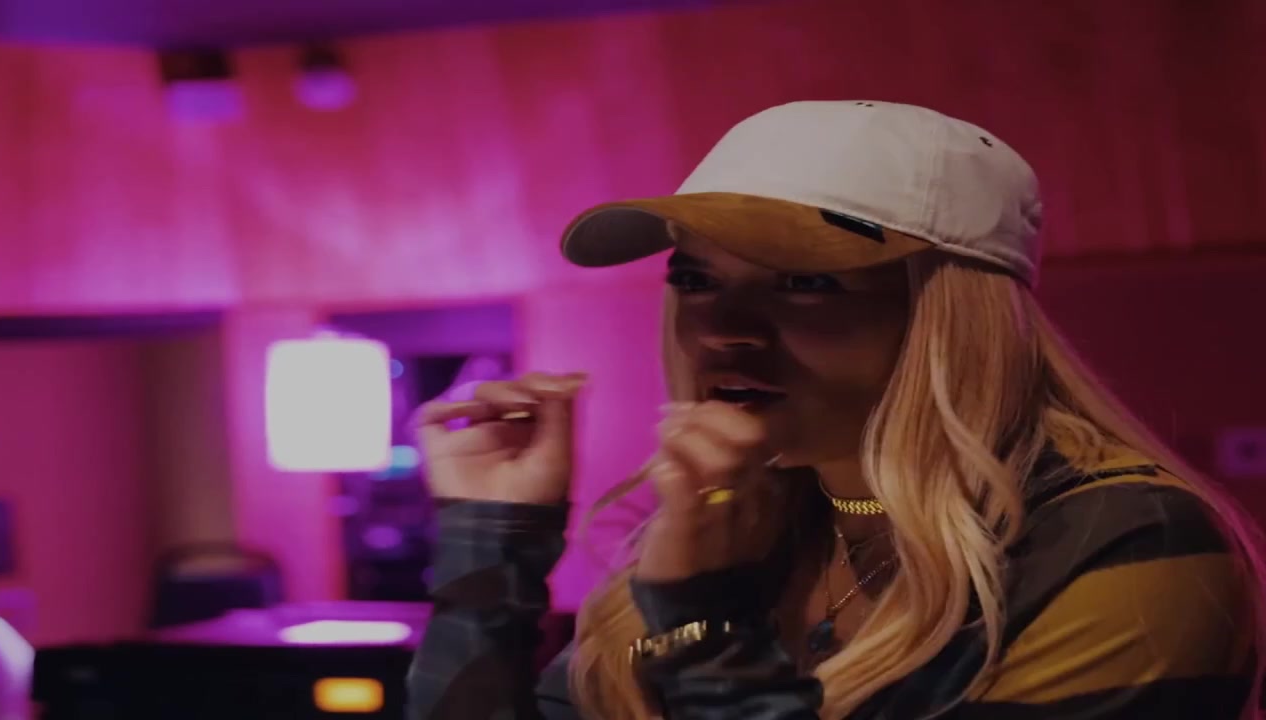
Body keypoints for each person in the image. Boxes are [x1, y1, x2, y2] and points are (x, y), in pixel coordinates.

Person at [404, 101, 1265, 719]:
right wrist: (492, 548)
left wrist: (704, 623)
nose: (725, 331)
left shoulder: (1125, 540)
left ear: (945, 313)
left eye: (805, 283)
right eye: (696, 280)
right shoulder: (749, 524)